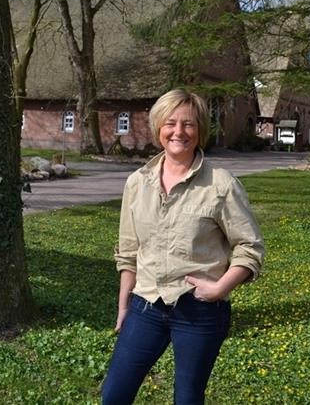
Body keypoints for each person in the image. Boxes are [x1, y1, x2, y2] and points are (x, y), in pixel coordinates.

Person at [101, 88, 265, 405]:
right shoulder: (137, 182)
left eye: (188, 124)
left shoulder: (221, 184)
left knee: (188, 399)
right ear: (158, 127)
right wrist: (124, 307)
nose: (179, 132)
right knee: (114, 395)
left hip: (199, 311)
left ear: (200, 130)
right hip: (145, 305)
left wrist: (218, 289)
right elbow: (128, 251)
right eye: (171, 123)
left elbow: (250, 247)